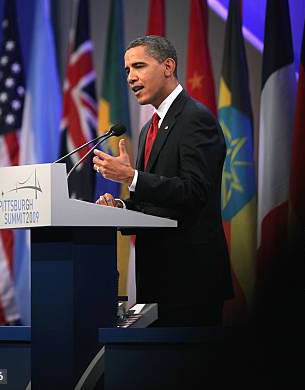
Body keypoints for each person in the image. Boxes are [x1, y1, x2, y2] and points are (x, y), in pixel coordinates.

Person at [92, 35, 233, 326]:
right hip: (154, 281)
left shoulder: (196, 119)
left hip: (190, 283)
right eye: (127, 70)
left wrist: (132, 177)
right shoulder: (148, 129)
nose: (131, 78)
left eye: (139, 67)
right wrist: (120, 206)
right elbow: (155, 201)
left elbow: (194, 193)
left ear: (168, 66)